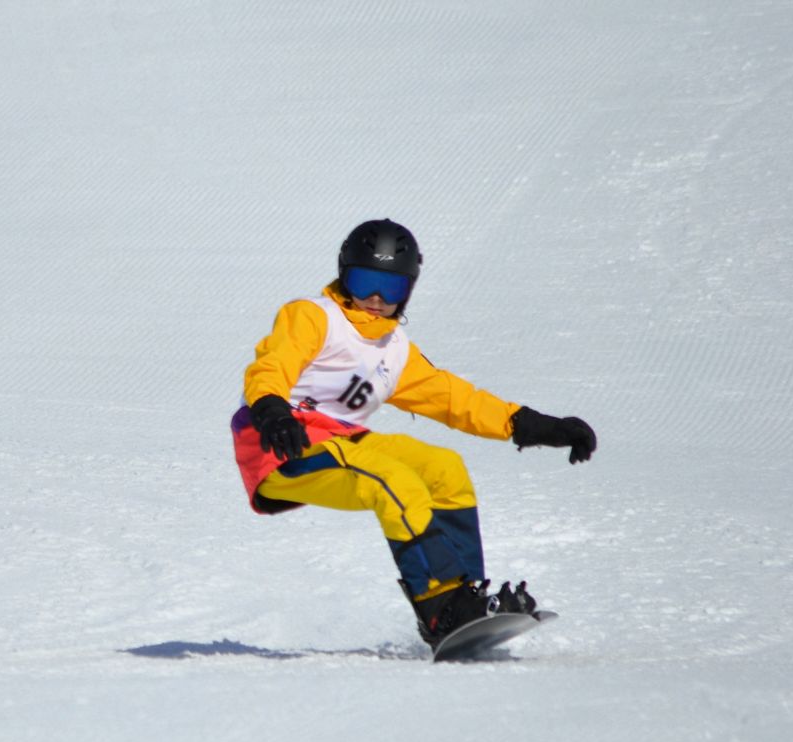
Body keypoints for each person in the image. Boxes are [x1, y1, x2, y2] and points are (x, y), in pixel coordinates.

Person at [230, 219, 597, 650]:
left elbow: (452, 397)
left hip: (343, 441)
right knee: (394, 482)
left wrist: (530, 424)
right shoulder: (313, 317)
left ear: (408, 291)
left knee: (443, 468)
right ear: (344, 276)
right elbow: (273, 364)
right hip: (281, 443)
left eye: (390, 288)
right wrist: (272, 408)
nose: (375, 299)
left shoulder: (394, 349)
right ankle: (440, 606)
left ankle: (466, 596)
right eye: (364, 283)